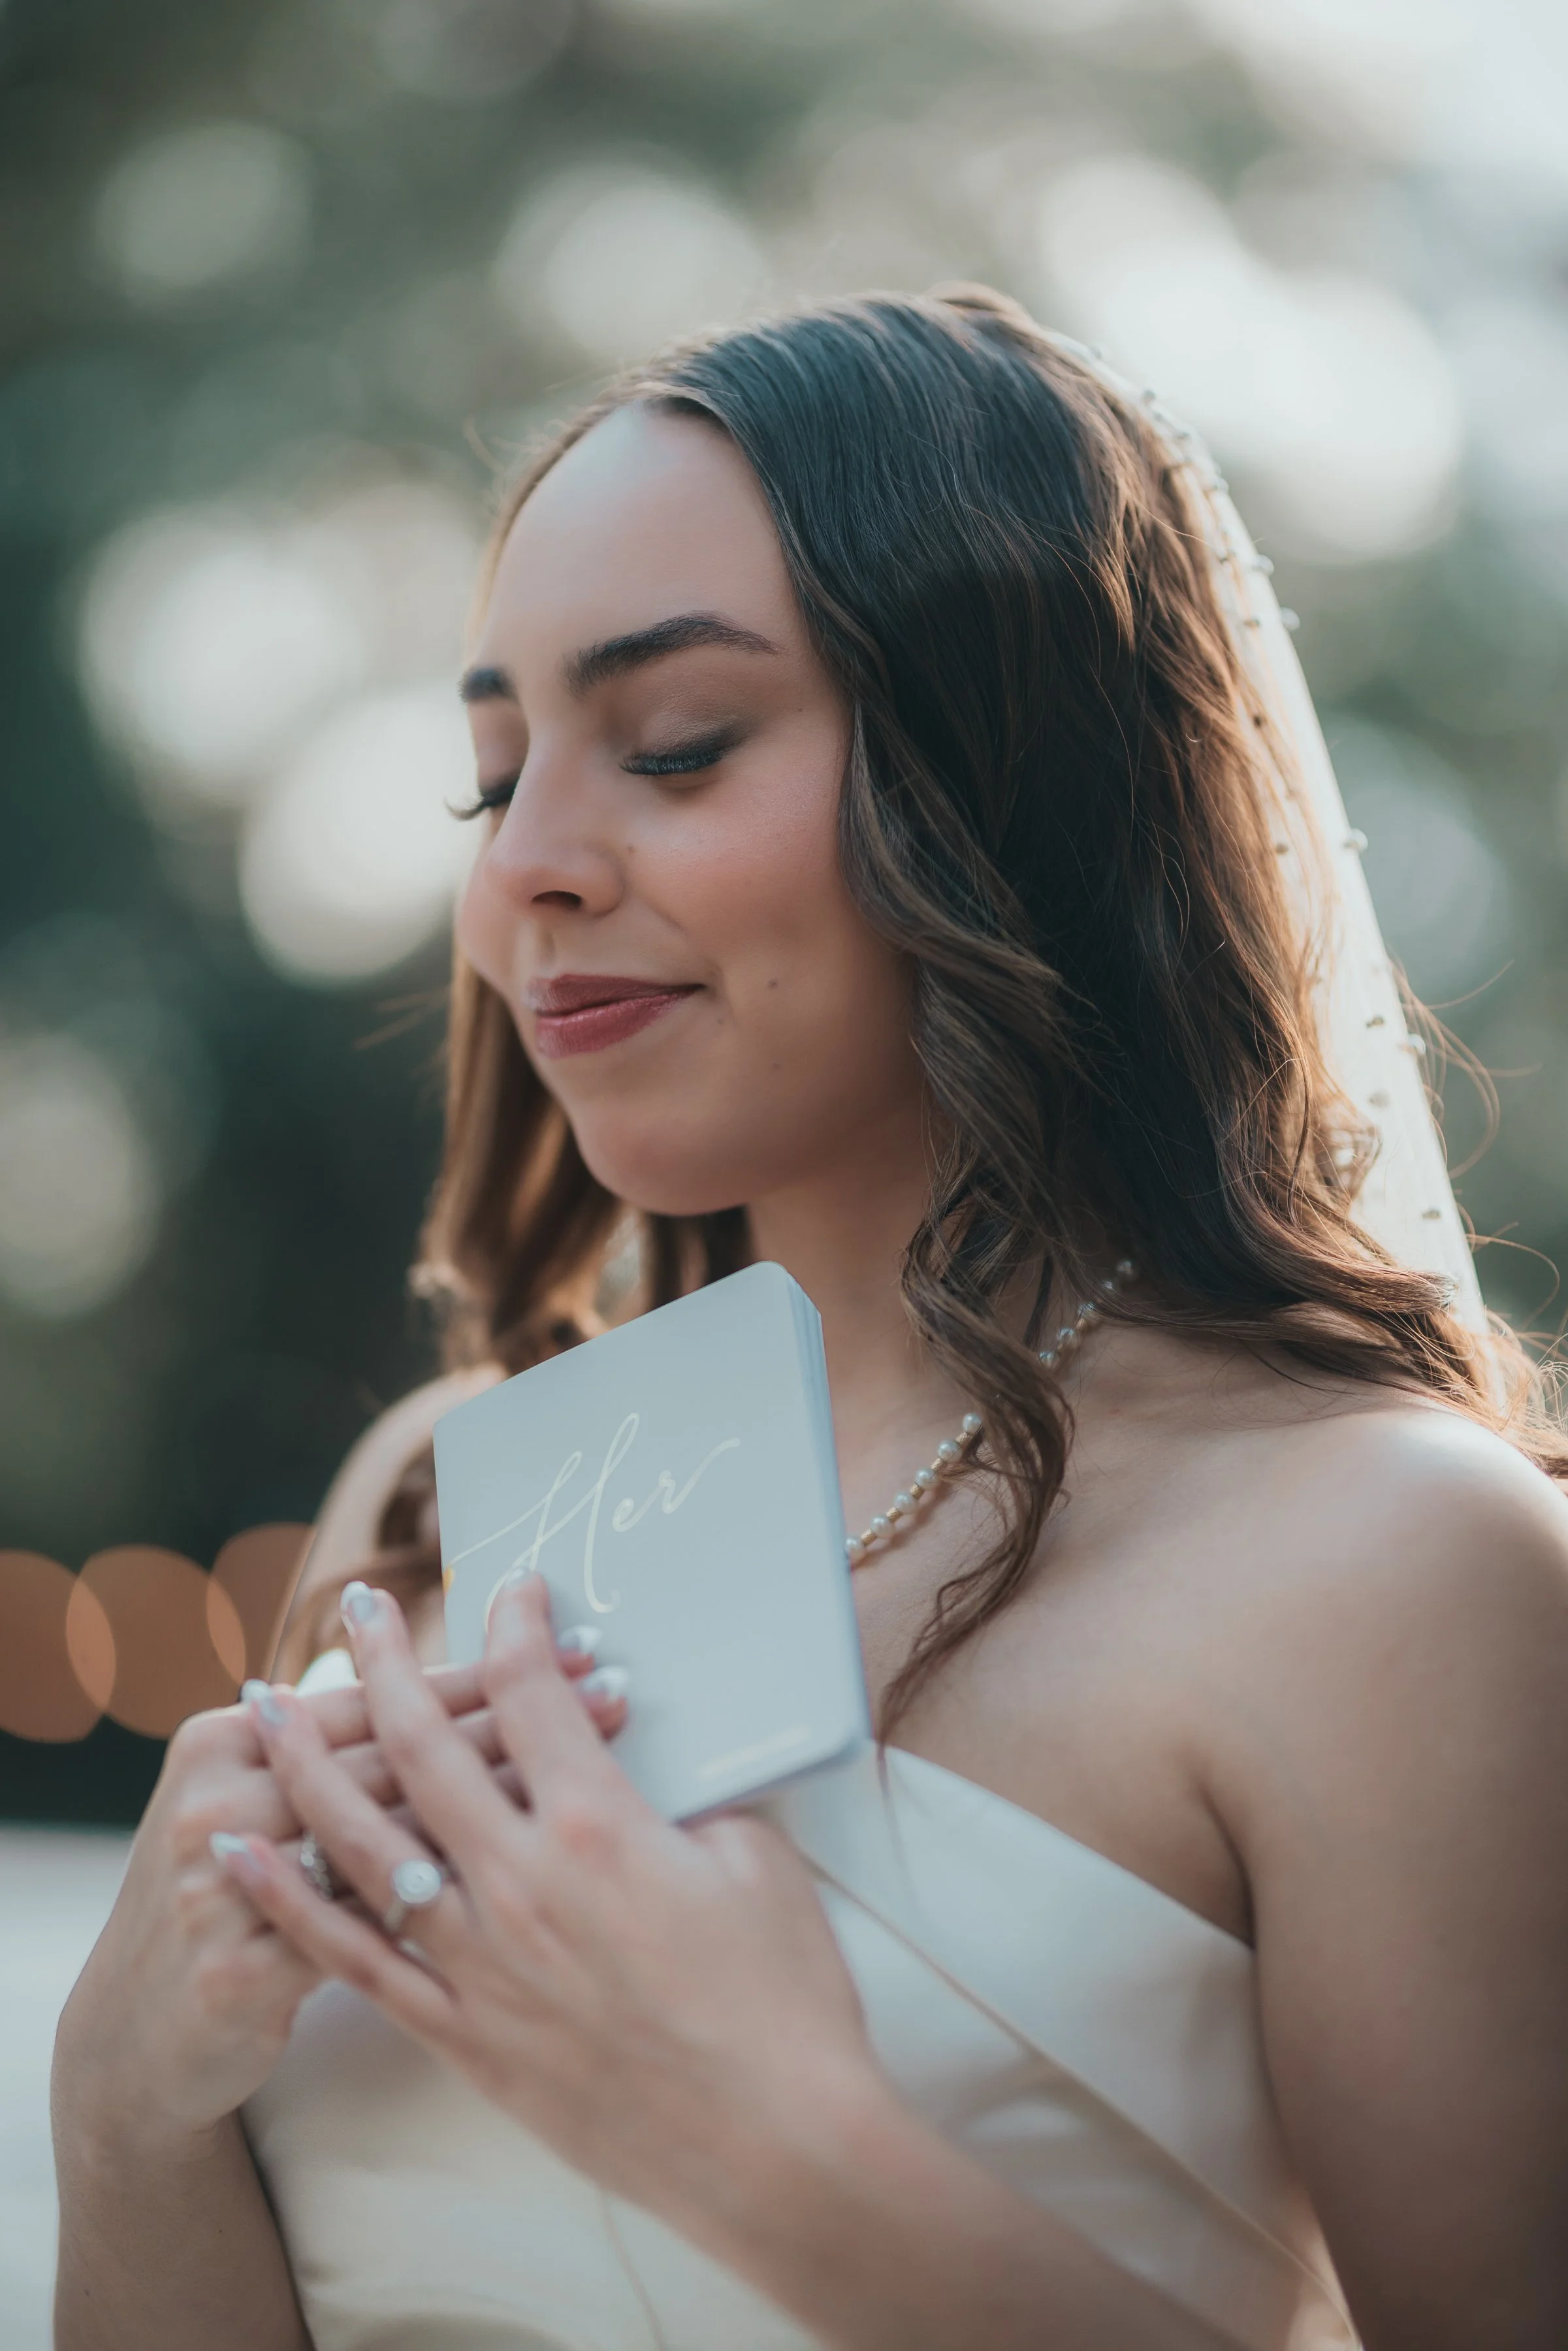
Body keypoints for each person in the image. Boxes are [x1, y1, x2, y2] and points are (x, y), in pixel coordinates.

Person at [51, 289, 1568, 2351]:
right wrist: (122, 2107)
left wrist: (776, 2149)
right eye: (493, 783)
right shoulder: (428, 1506)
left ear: (1017, 774)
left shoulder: (1386, 1564)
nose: (530, 881)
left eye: (675, 744)